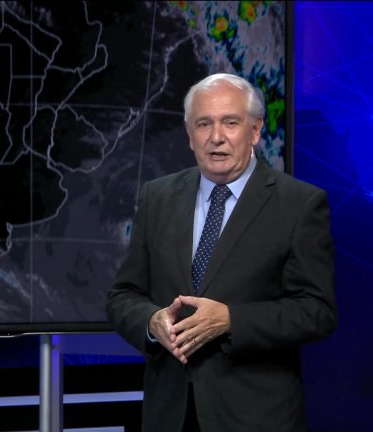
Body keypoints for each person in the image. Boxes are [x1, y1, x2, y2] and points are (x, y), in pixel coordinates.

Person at [106, 73, 337, 432]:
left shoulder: (300, 204)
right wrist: (151, 322)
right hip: (170, 415)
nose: (216, 137)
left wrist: (231, 320)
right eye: (204, 124)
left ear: (255, 130)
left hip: (255, 418)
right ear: (189, 135)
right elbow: (123, 295)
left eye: (230, 122)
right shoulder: (157, 197)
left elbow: (317, 311)